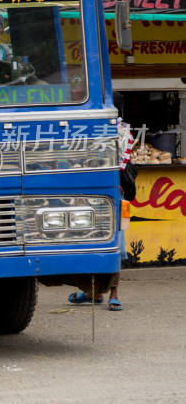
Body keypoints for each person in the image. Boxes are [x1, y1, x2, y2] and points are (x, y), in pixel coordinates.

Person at [68, 92, 135, 311]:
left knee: (115, 243)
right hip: (106, 194)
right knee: (99, 241)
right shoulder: (116, 129)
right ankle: (94, 292)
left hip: (112, 195)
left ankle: (113, 294)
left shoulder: (117, 131)